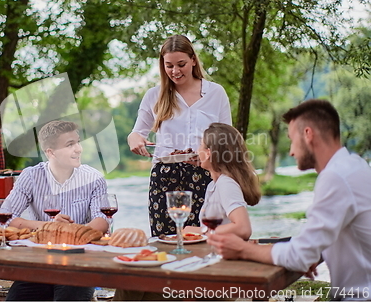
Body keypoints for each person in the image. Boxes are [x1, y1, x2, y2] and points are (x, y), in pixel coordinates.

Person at [208, 99, 371, 301]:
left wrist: (242, 249)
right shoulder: (354, 165)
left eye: (292, 140)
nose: (291, 151)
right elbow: (327, 236)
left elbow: (299, 255)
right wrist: (315, 251)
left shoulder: (335, 177)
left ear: (308, 135)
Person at [127, 34, 232, 237]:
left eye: (181, 64)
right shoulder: (154, 95)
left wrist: (209, 155)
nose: (175, 71)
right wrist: (136, 140)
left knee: (204, 238)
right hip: (164, 178)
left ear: (193, 60)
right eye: (169, 66)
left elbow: (227, 139)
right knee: (165, 241)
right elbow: (136, 133)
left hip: (205, 175)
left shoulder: (215, 93)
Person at [1, 120, 109, 301]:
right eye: (70, 145)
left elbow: (103, 220)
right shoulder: (31, 176)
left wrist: (69, 233)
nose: (78, 149)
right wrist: (48, 226)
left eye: (78, 142)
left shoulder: (94, 178)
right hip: (40, 262)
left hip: (79, 262)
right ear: (50, 152)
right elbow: (5, 217)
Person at [185, 123, 261, 240]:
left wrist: (197, 231)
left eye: (201, 145)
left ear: (209, 152)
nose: (197, 150)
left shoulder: (226, 184)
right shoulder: (215, 184)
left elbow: (243, 229)